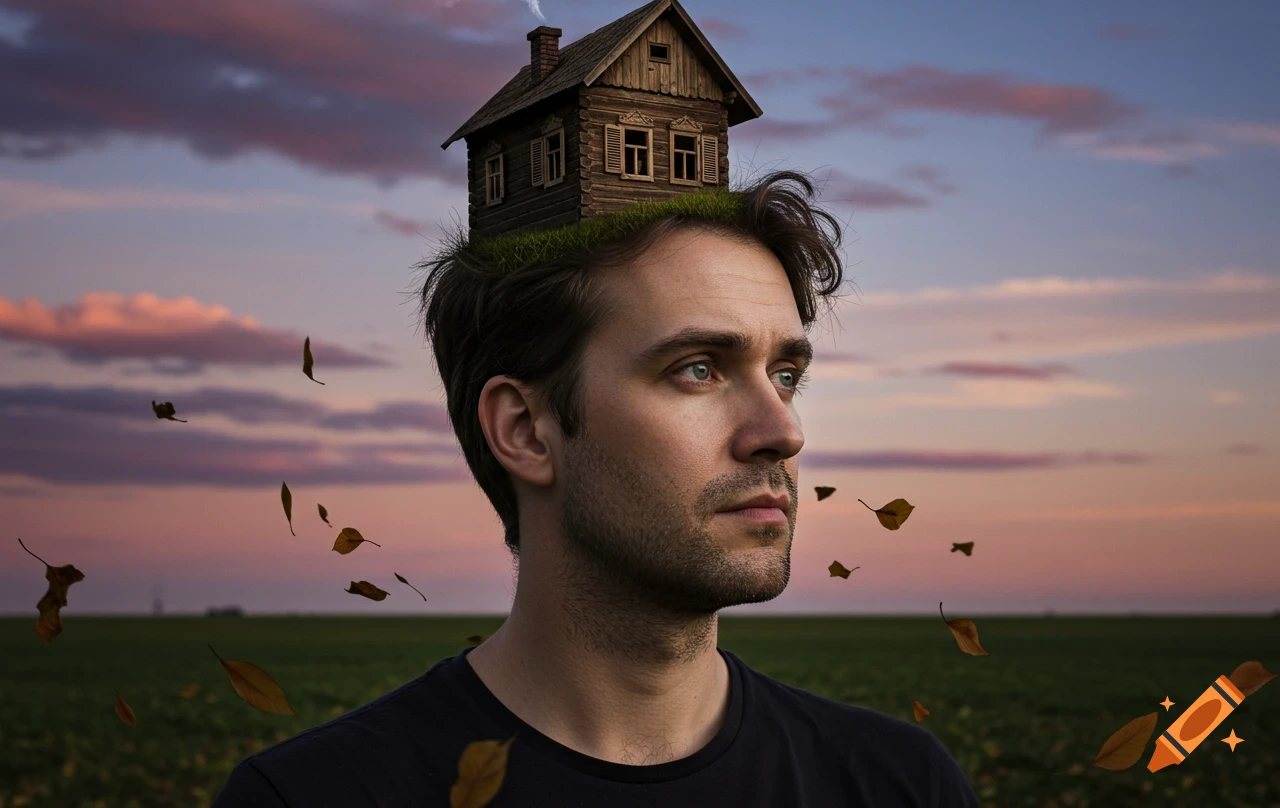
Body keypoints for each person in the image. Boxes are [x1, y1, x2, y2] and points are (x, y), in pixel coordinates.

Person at [213, 171, 981, 806]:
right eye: (699, 369)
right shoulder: (309, 800)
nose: (782, 430)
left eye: (785, 375)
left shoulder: (901, 786)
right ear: (524, 429)